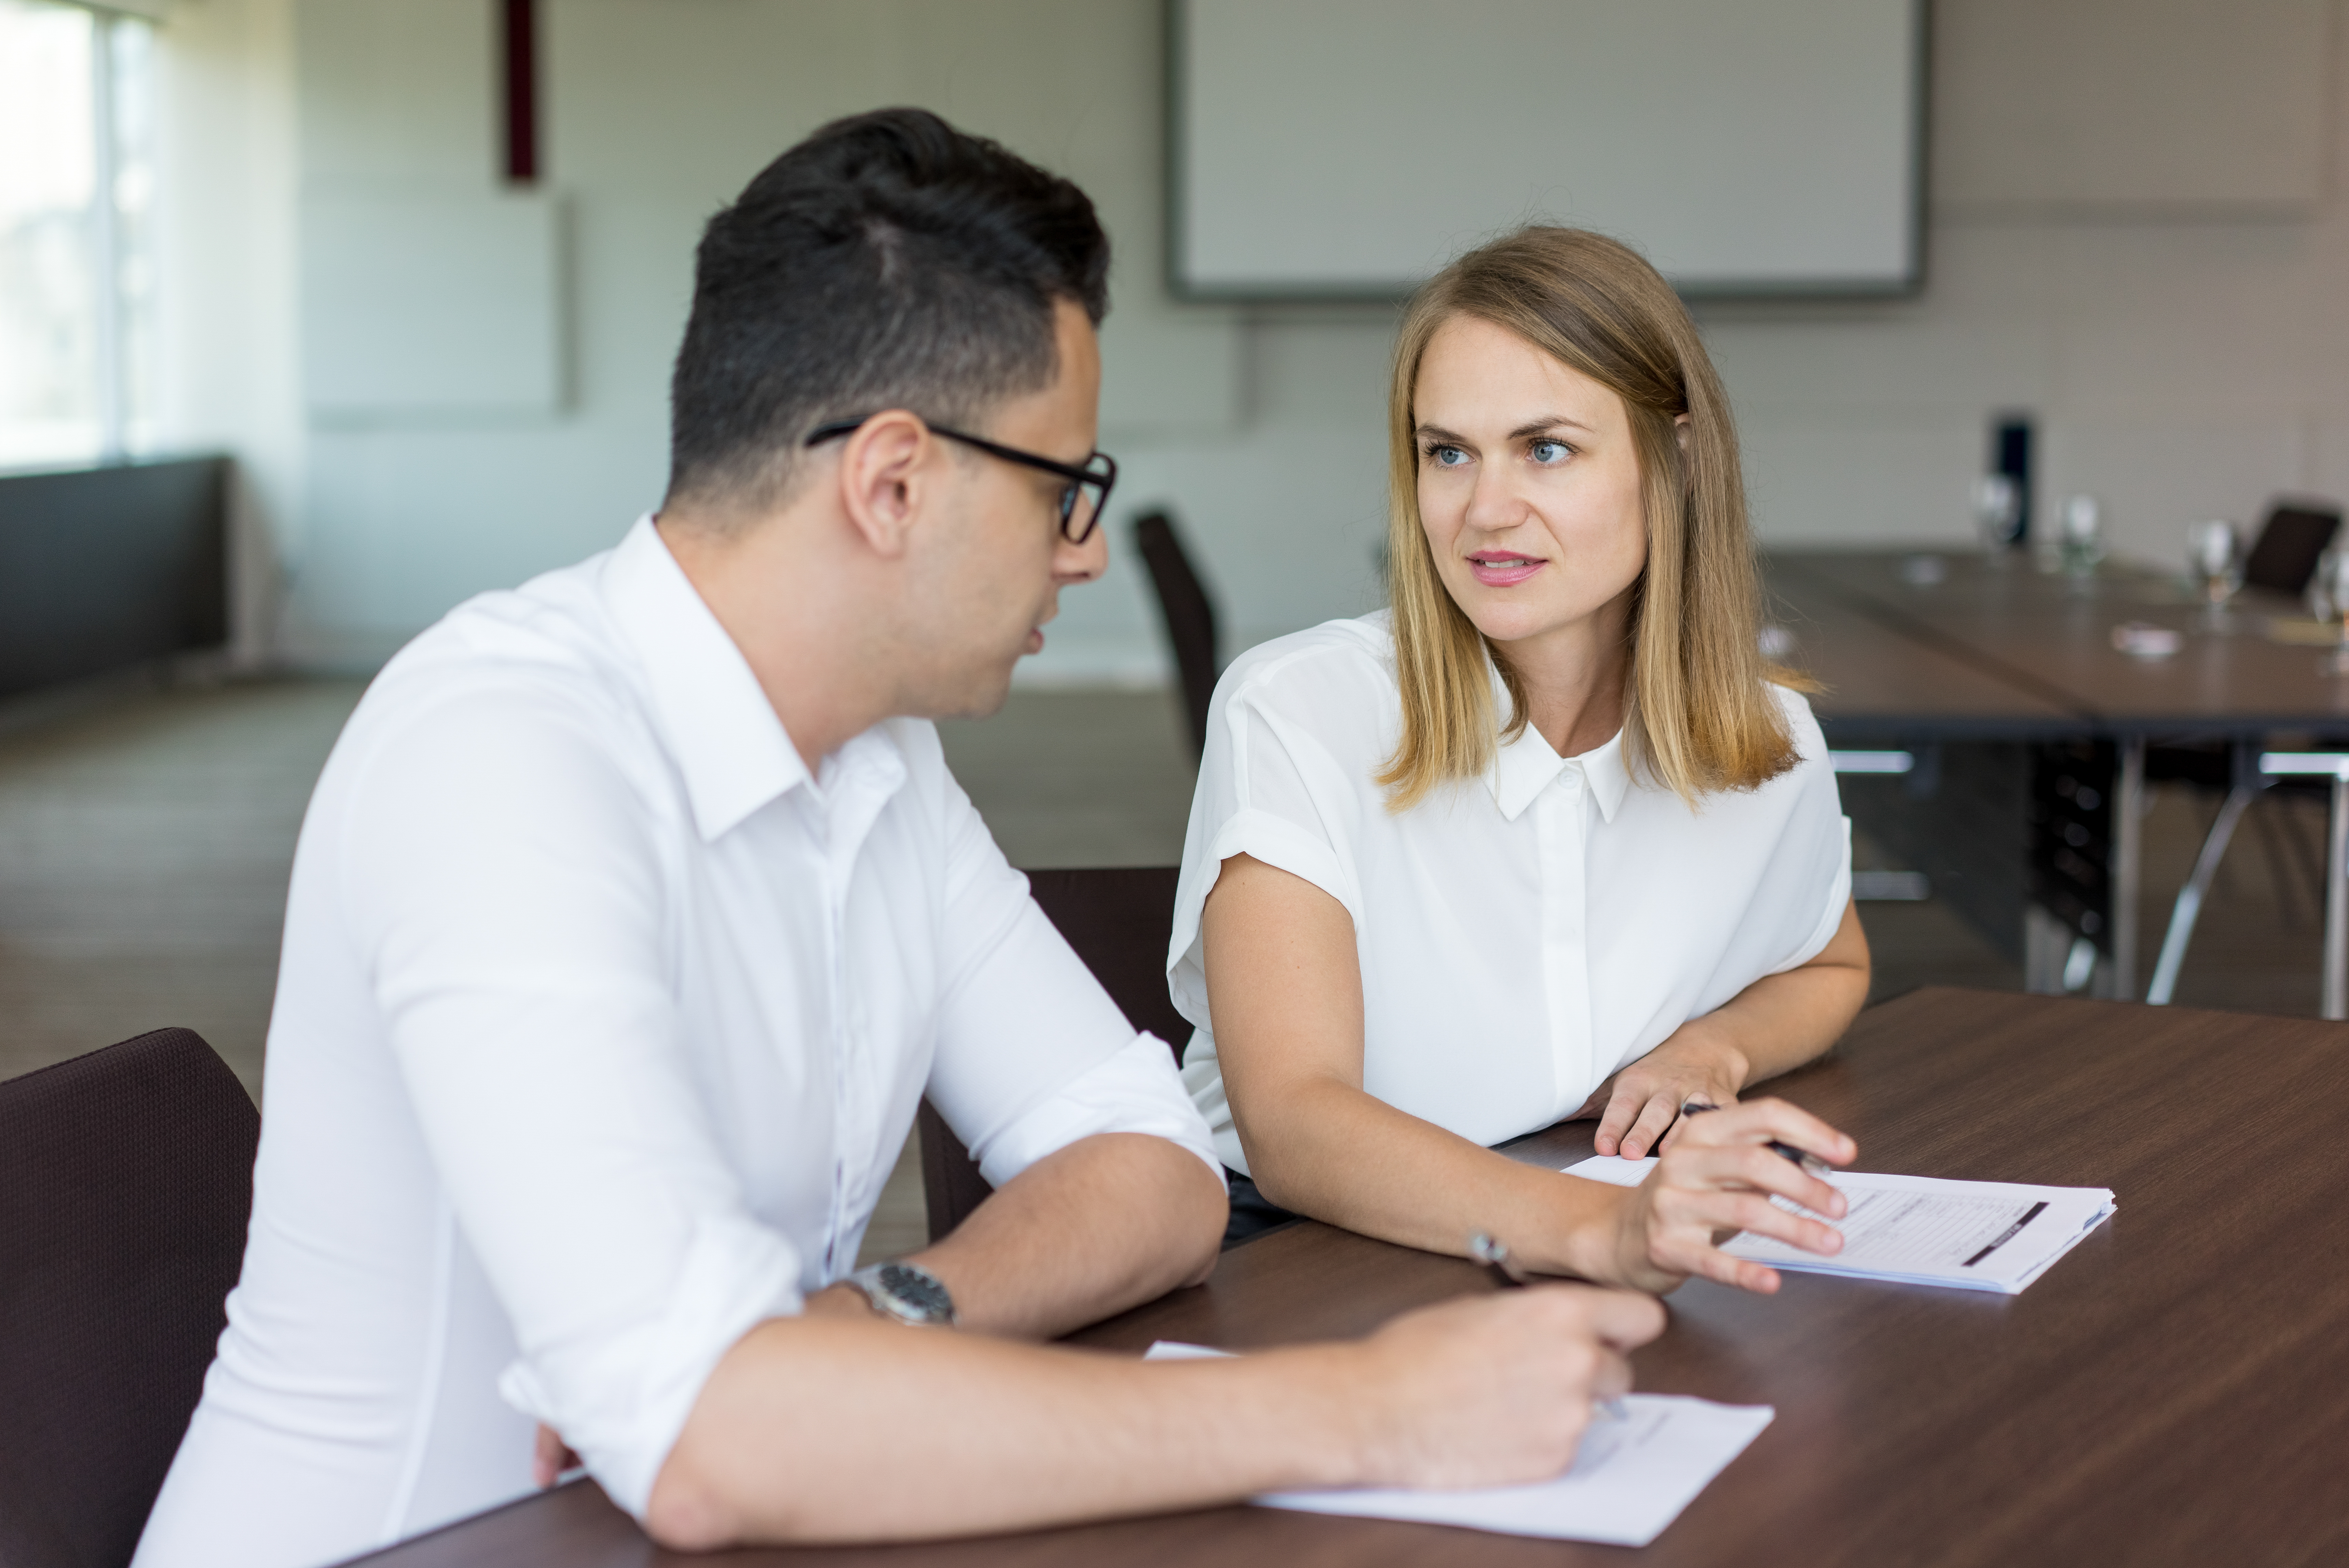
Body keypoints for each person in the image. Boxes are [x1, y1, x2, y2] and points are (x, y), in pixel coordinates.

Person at [132, 116, 1665, 1568]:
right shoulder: (503, 759)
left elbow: (1153, 1169)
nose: (1084, 549)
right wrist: (1369, 1408)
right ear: (891, 481)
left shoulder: (881, 762)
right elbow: (717, 1443)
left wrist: (870, 1323)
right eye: (1067, 488)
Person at [1172, 227, 1872, 1289]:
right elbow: (1294, 1125)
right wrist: (1602, 1231)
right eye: (1447, 451)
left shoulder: (1767, 743)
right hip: (1301, 1252)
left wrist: (1708, 1051)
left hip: (1572, 1210)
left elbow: (1829, 964)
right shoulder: (1300, 709)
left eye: (1545, 448)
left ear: (1672, 460)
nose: (1484, 510)